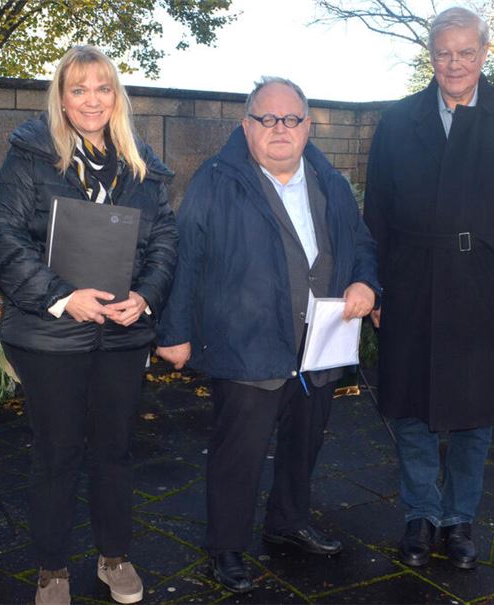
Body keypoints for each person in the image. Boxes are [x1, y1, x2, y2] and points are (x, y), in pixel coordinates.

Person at [155, 77, 379, 593]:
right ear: (246, 125)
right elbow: (186, 257)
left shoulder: (331, 181)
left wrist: (365, 281)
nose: (280, 129)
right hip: (246, 342)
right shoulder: (216, 180)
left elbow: (361, 240)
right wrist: (176, 332)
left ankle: (288, 522)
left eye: (292, 119)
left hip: (319, 343)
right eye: (267, 119)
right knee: (241, 453)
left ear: (308, 125)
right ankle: (226, 549)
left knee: (305, 443)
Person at [363, 6, 494, 570]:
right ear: (431, 55)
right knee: (412, 407)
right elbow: (376, 211)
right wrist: (373, 285)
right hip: (410, 283)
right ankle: (420, 515)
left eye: (466, 52)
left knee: (475, 410)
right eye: (444, 52)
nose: (454, 63)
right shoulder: (398, 121)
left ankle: (460, 517)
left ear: (484, 53)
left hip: (484, 286)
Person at [0, 45, 177, 605]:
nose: (92, 99)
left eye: (103, 87)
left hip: (121, 333)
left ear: (117, 95)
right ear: (61, 99)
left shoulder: (143, 166)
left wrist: (144, 296)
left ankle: (114, 556)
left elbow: (165, 240)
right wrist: (62, 299)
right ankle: (51, 569)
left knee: (116, 451)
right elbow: (4, 237)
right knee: (57, 453)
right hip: (51, 336)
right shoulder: (31, 156)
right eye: (78, 88)